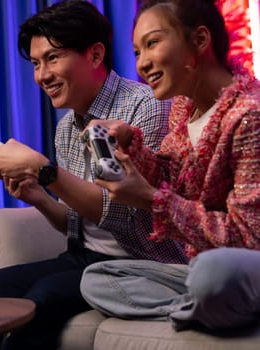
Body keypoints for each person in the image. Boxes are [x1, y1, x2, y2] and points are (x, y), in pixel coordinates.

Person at [0, 1, 187, 349]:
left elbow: (126, 215)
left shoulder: (145, 107)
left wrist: (43, 169)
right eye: (35, 64)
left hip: (138, 262)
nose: (41, 75)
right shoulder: (66, 127)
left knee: (42, 298)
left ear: (95, 55)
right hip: (83, 258)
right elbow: (78, 224)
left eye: (52, 58)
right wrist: (38, 195)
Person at [80, 0, 260, 332]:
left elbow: (247, 239)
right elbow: (171, 175)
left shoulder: (249, 116)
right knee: (97, 278)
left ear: (200, 41)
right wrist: (130, 145)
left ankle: (205, 302)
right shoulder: (182, 109)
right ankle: (198, 307)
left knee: (212, 272)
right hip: (203, 268)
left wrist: (151, 199)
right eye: (136, 52)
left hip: (244, 265)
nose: (142, 63)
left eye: (152, 43)